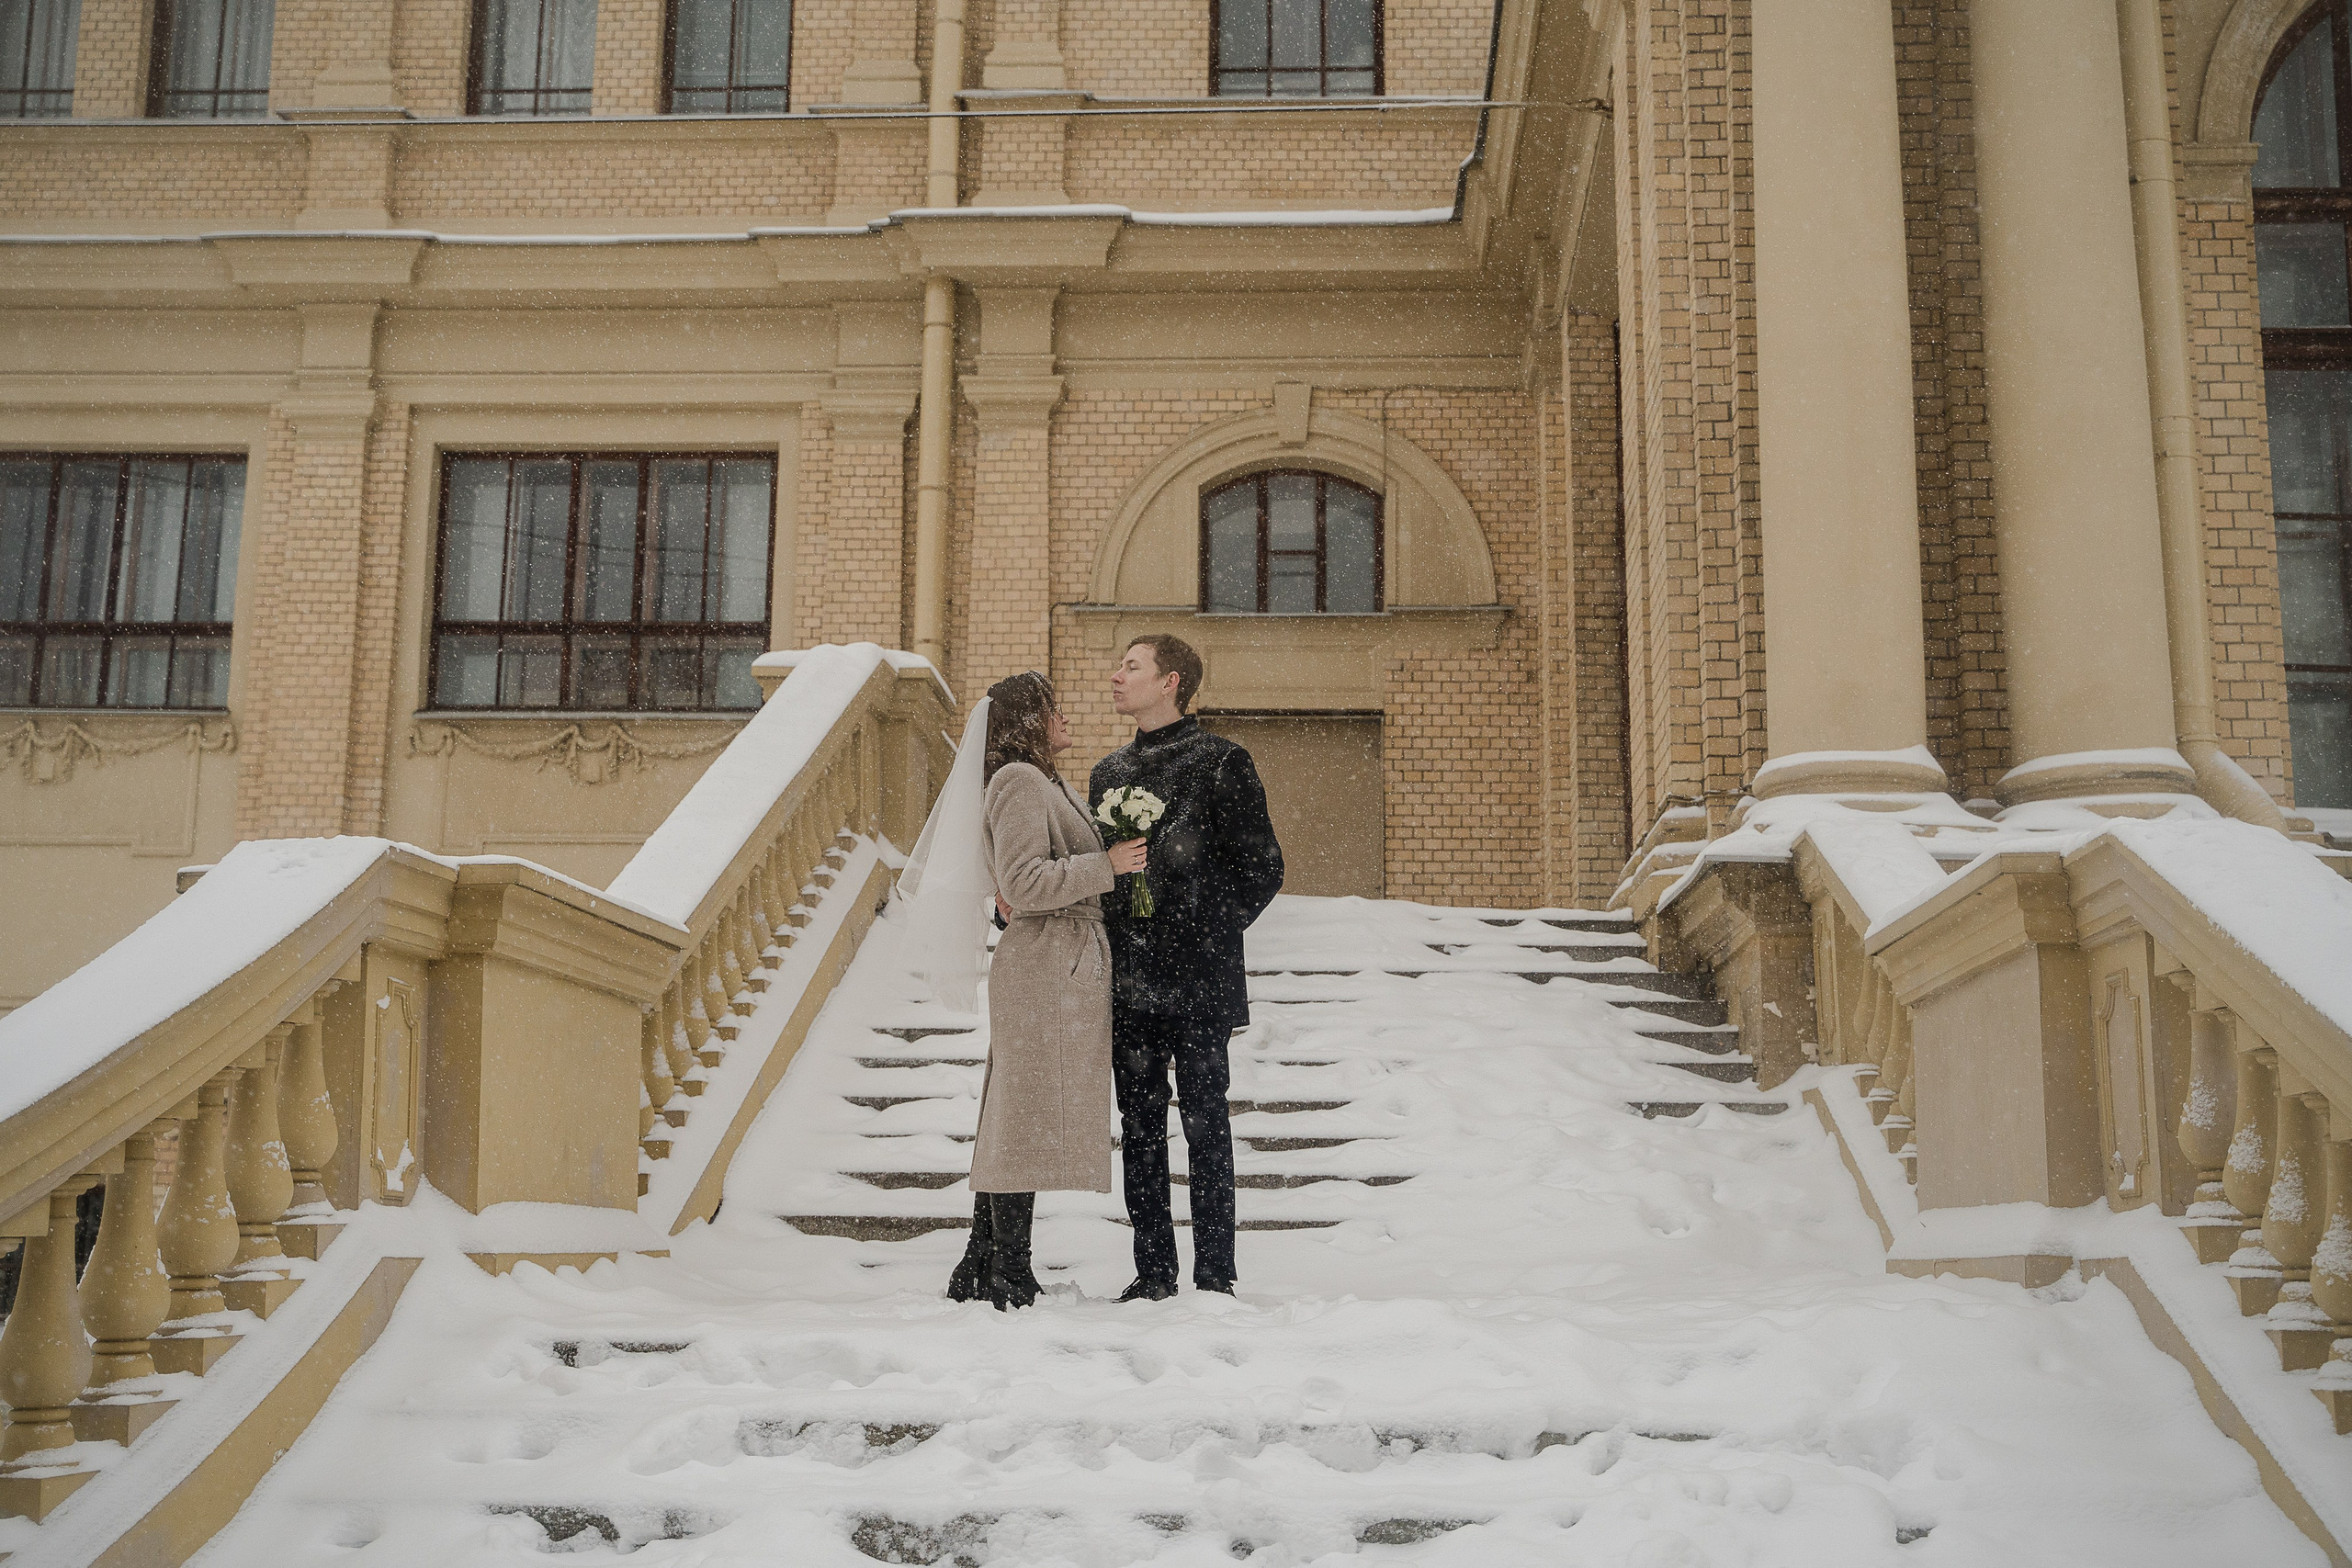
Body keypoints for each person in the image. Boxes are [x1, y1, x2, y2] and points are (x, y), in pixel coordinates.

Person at [932, 671, 1148, 1310]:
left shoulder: (1043, 781)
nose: (1065, 717)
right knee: (1020, 1115)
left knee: (1014, 1113)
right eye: (1054, 709)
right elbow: (1025, 882)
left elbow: (1020, 881)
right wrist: (1107, 865)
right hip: (1045, 965)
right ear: (1029, 721)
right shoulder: (1019, 780)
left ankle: (981, 1261)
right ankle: (1008, 1269)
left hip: (1059, 961)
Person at [1091, 634, 1283, 1301]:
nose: (1116, 676)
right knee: (1139, 1129)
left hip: (1199, 981)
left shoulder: (1223, 762)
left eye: (1131, 666)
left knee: (1206, 1124)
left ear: (1170, 681)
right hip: (1130, 982)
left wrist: (1204, 929)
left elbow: (1263, 867)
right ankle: (1153, 1272)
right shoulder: (1108, 774)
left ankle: (1215, 1273)